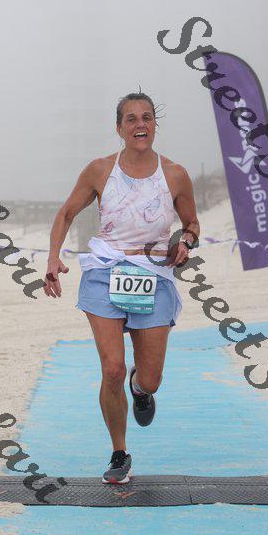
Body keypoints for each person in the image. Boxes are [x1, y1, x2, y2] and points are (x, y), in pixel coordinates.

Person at [44, 91, 200, 485]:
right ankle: (119, 452)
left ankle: (140, 389)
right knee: (111, 369)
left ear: (155, 125)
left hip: (154, 275)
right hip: (105, 269)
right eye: (131, 119)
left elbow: (192, 225)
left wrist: (185, 242)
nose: (139, 124)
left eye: (146, 117)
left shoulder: (175, 174)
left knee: (151, 378)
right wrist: (53, 259)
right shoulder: (99, 170)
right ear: (119, 128)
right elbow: (65, 213)